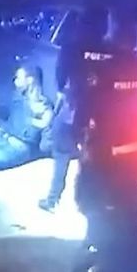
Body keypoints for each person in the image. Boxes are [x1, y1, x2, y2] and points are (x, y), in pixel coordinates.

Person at [57, 6, 137, 247]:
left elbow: (87, 104)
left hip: (107, 146)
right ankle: (131, 240)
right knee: (131, 196)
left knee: (92, 198)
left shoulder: (103, 69)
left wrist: (77, 134)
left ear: (112, 37)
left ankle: (95, 245)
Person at [39, 84, 79, 212]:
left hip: (66, 123)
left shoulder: (73, 77)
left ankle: (52, 200)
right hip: (79, 123)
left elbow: (61, 99)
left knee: (61, 161)